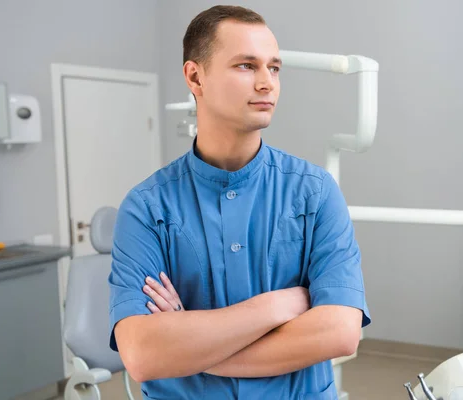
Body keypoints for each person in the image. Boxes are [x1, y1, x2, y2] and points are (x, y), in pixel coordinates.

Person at [108, 5, 371, 399]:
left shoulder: (315, 192)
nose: (267, 83)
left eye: (274, 68)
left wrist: (188, 340)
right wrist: (278, 306)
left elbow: (340, 333)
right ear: (195, 77)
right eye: (247, 66)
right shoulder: (146, 209)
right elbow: (144, 355)